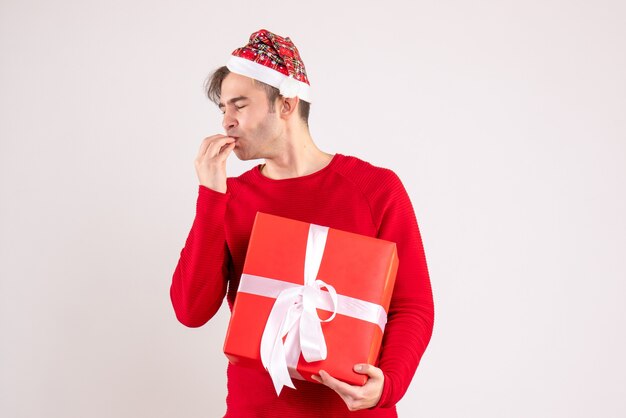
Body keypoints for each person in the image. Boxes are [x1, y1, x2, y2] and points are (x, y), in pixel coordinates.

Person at [170, 29, 434, 417]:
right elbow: (191, 311)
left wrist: (389, 383)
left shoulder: (376, 188)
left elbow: (413, 305)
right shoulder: (231, 198)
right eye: (223, 109)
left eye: (239, 105)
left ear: (288, 104)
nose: (227, 121)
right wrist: (211, 197)